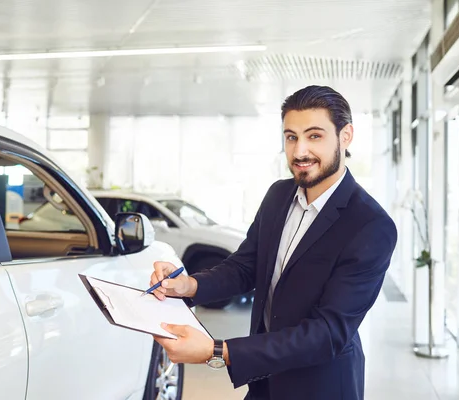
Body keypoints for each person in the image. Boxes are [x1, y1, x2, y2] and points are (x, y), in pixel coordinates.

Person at [149, 85, 398, 400]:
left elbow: (328, 333)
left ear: (345, 136)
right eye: (291, 137)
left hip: (320, 386)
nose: (299, 152)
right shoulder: (278, 196)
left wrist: (217, 350)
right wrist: (188, 286)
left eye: (315, 136)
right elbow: (246, 266)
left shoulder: (370, 225)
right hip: (263, 382)